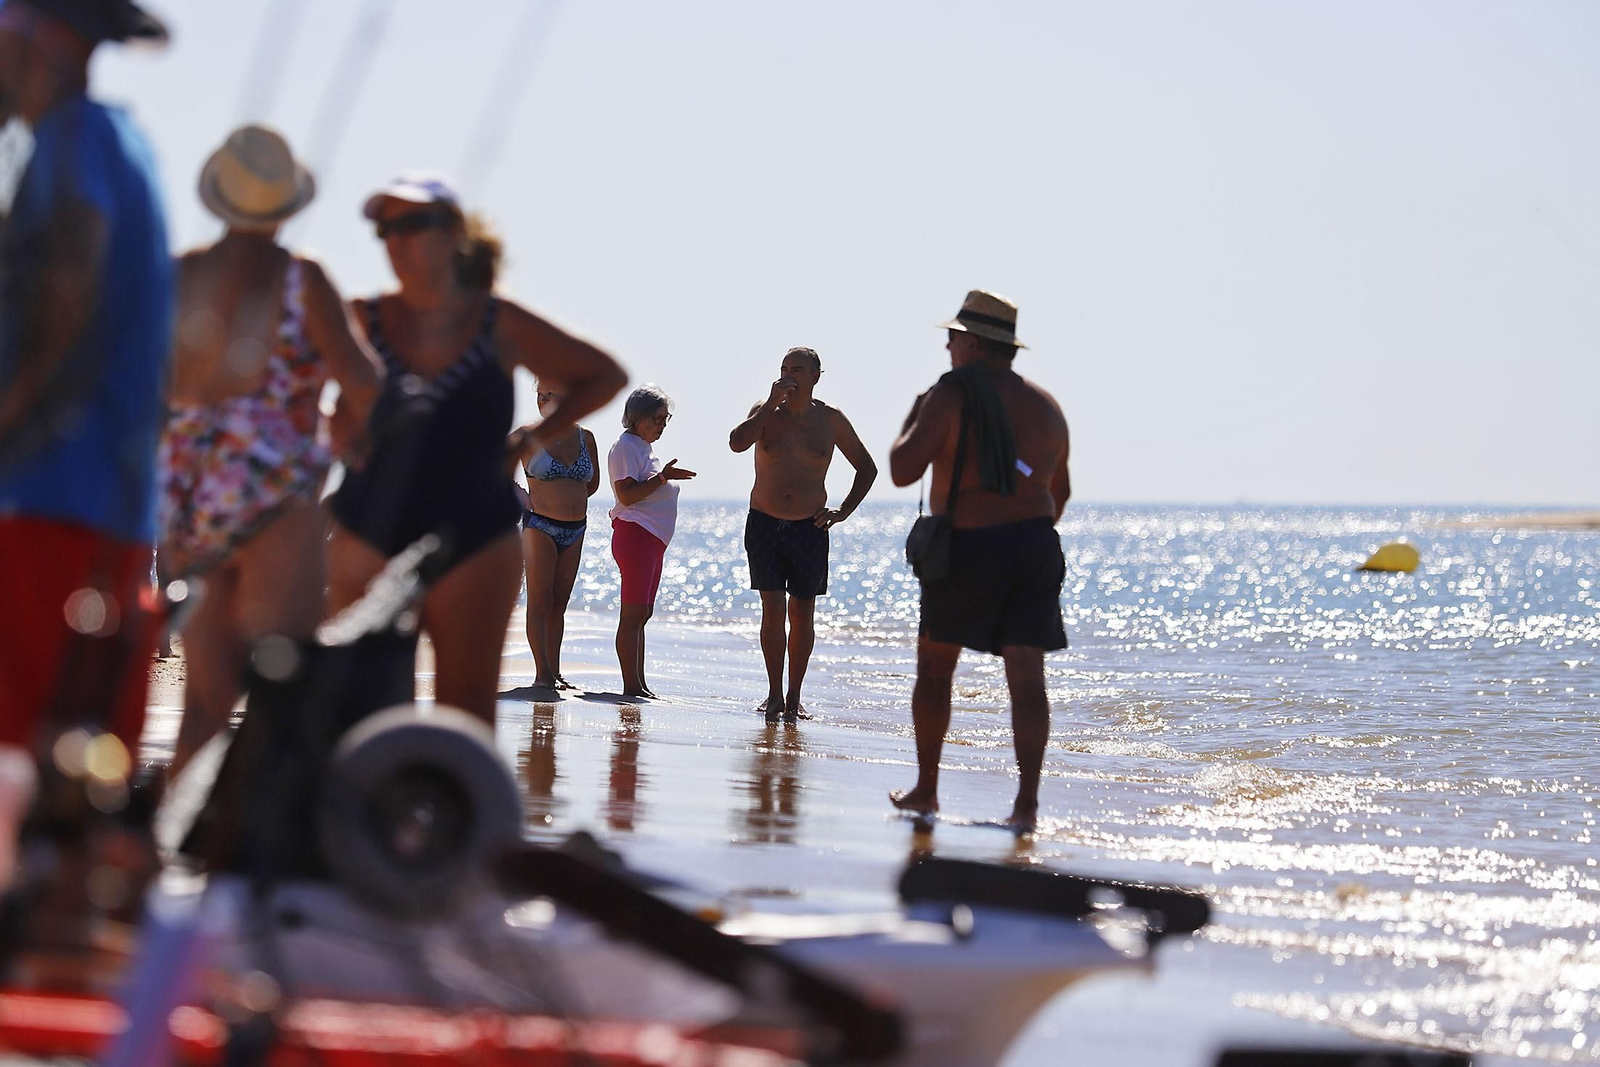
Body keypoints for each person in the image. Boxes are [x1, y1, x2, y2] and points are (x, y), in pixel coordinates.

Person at [326, 174, 626, 724]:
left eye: (412, 224)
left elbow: (604, 375)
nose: (396, 240)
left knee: (463, 718)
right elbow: (300, 393)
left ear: (454, 234)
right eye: (385, 229)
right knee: (362, 711)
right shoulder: (361, 318)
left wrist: (532, 437)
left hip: (475, 533)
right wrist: (335, 433)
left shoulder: (496, 320)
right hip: (371, 525)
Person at [158, 124, 384, 772]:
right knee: (283, 687)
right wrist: (346, 423)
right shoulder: (300, 278)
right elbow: (365, 379)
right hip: (274, 498)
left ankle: (173, 848)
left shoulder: (182, 274)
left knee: (204, 700)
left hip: (189, 501)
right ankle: (256, 855)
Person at [0, 0, 172, 765]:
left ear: (45, 38)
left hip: (48, 501)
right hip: (110, 511)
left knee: (20, 760)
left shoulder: (70, 141)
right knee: (76, 768)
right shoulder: (120, 139)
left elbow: (67, 278)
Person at [887, 291, 1071, 832]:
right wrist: (1020, 531)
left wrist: (918, 409)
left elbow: (901, 468)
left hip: (968, 546)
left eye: (955, 335)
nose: (947, 343)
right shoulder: (1046, 406)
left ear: (975, 343)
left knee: (936, 670)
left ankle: (927, 790)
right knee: (1027, 678)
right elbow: (1059, 493)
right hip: (1035, 545)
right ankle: (1026, 806)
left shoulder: (949, 395)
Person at [728, 347, 876, 723]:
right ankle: (774, 693)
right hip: (764, 522)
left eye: (798, 369)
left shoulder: (830, 420)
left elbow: (866, 468)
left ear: (816, 376)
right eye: (784, 369)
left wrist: (843, 511)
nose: (790, 376)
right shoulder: (765, 412)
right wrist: (768, 406)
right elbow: (736, 442)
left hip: (809, 527)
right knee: (772, 609)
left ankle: (795, 696)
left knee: (803, 613)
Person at [608, 384, 695, 698]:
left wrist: (664, 478)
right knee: (632, 614)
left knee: (643, 613)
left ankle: (639, 684)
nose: (662, 425)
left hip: (651, 540)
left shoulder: (643, 448)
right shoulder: (625, 447)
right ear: (637, 416)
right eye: (657, 418)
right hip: (635, 535)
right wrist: (662, 479)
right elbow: (627, 496)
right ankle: (631, 686)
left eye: (665, 419)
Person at [515, 380, 600, 690]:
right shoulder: (527, 436)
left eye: (552, 393)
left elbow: (592, 485)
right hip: (540, 526)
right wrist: (520, 495)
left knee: (559, 604)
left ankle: (555, 670)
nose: (544, 399)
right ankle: (542, 674)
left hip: (576, 528)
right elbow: (493, 468)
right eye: (540, 394)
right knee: (539, 602)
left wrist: (568, 498)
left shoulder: (585, 438)